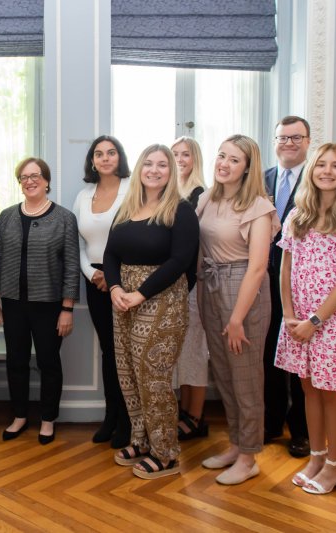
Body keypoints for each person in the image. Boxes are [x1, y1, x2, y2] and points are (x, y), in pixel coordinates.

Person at [275, 143, 336, 494]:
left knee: (330, 391)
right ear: (311, 171)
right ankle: (316, 457)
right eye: (321, 165)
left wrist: (314, 321)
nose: (327, 171)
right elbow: (285, 269)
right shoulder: (296, 217)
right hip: (297, 321)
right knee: (308, 388)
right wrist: (289, 315)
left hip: (334, 321)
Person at [104, 144, 199, 479]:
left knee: (153, 377)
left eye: (162, 165)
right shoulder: (128, 207)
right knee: (128, 374)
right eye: (148, 164)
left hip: (162, 301)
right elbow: (110, 254)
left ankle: (166, 453)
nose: (154, 170)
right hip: (123, 301)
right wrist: (116, 288)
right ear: (140, 169)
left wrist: (140, 294)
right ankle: (141, 440)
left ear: (171, 171)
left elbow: (180, 261)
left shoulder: (181, 210)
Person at [196, 134, 280, 485]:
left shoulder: (258, 207)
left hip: (241, 289)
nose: (223, 164)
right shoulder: (205, 199)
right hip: (210, 284)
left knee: (246, 377)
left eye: (233, 159)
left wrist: (236, 318)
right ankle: (235, 444)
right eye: (221, 156)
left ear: (247, 168)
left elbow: (258, 267)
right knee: (224, 375)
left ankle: (249, 458)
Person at [0, 158, 80, 445]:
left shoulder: (64, 218)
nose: (29, 181)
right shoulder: (7, 216)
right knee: (16, 361)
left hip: (49, 305)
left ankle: (47, 419)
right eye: (23, 177)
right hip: (13, 302)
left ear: (46, 180)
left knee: (48, 362)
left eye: (35, 176)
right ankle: (19, 416)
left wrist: (67, 309)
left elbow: (71, 266)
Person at [72, 135, 132, 448]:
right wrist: (92, 272)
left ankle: (129, 420)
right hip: (94, 279)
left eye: (111, 153)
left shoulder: (132, 190)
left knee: (125, 350)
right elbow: (78, 242)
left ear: (119, 157)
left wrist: (113, 276)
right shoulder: (84, 195)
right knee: (109, 350)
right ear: (92, 161)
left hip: (124, 280)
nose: (105, 158)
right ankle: (112, 416)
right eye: (99, 154)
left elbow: (137, 235)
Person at [263, 116, 312, 457]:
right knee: (267, 357)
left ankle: (301, 431)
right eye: (283, 137)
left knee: (298, 363)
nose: (289, 143)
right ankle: (270, 422)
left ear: (308, 141)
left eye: (296, 137)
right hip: (262, 282)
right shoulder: (263, 178)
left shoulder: (318, 179)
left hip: (302, 285)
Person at [170, 136, 209, 441]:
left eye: (186, 154)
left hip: (194, 285)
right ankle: (183, 411)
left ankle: (195, 416)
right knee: (181, 352)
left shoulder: (200, 194)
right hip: (174, 285)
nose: (180, 159)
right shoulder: (171, 192)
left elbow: (196, 246)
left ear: (195, 159)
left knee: (195, 351)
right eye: (174, 154)